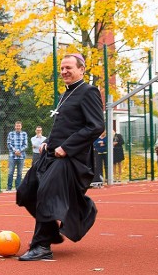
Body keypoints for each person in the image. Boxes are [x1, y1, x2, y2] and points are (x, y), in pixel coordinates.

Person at [16, 53, 104, 261]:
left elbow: (96, 126)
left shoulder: (88, 91)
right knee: (26, 192)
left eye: (69, 68)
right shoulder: (65, 94)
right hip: (51, 154)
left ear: (81, 70)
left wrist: (67, 147)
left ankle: (42, 246)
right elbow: (66, 125)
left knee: (46, 193)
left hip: (71, 159)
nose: (64, 72)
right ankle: (52, 231)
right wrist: (49, 141)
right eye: (62, 68)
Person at [7, 121, 27, 191]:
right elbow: (9, 144)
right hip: (12, 156)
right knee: (10, 172)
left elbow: (25, 145)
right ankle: (9, 187)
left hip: (21, 156)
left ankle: (18, 187)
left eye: (19, 126)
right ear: (15, 126)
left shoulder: (24, 134)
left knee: (19, 173)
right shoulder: (11, 134)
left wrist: (19, 151)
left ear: (21, 126)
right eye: (16, 126)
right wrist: (15, 151)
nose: (18, 127)